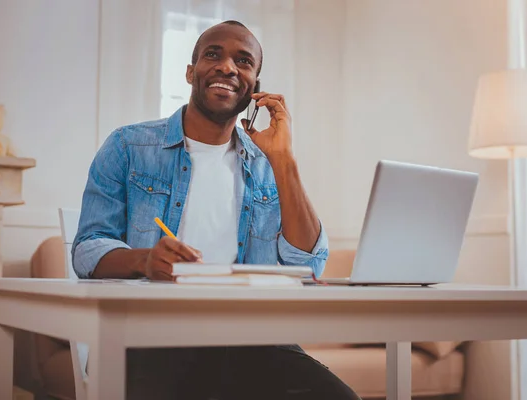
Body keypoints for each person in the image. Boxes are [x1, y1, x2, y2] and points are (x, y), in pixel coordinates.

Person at [72, 20, 360, 400]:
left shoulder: (267, 164)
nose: (227, 67)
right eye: (214, 55)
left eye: (243, 61)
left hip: (256, 344)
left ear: (255, 87)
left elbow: (308, 268)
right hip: (150, 339)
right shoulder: (128, 146)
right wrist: (144, 261)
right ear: (191, 71)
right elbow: (88, 248)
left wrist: (283, 159)